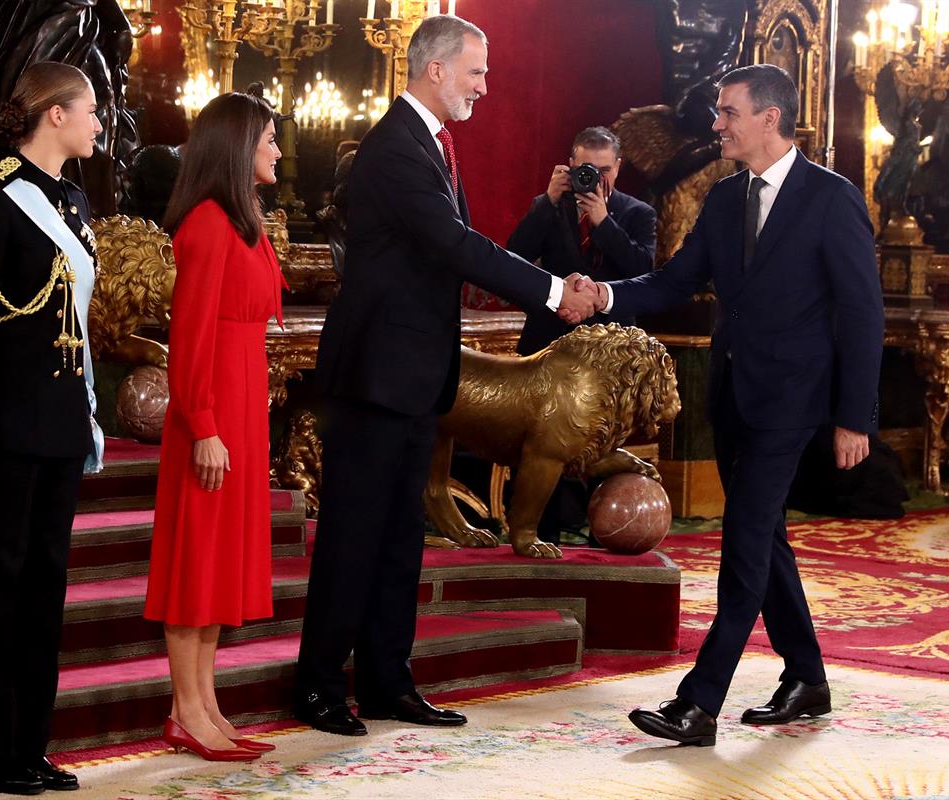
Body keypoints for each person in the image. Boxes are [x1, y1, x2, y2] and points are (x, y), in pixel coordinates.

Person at [567, 64, 884, 746]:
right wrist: (606, 296)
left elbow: (862, 313)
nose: (715, 124)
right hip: (733, 398)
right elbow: (675, 280)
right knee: (764, 538)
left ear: (769, 118)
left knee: (742, 543)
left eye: (727, 112)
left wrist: (855, 416)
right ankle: (807, 678)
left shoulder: (832, 198)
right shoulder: (723, 199)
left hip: (793, 404)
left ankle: (698, 703)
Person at [294, 14, 588, 737]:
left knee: (400, 536)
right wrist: (551, 291)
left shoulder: (429, 145)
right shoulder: (395, 149)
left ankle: (389, 680)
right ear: (435, 70)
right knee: (353, 535)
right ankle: (319, 684)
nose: (485, 87)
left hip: (415, 377)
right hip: (372, 377)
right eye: (476, 73)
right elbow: (456, 244)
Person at [0, 61, 105, 795]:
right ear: (56, 115)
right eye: (92, 109)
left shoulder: (72, 202)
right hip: (1, 433)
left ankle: (31, 746)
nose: (102, 122)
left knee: (44, 593)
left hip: (59, 428)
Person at [142, 92, 285, 763]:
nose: (279, 151)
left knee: (220, 563)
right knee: (195, 561)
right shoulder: (205, 222)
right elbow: (190, 334)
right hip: (213, 412)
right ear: (237, 148)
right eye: (268, 141)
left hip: (241, 407)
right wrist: (202, 423)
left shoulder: (243, 218)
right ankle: (188, 710)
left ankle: (198, 706)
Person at [507, 125, 656, 544]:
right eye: (586, 169)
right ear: (570, 166)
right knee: (541, 445)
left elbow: (644, 274)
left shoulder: (637, 213)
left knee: (602, 447)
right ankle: (539, 533)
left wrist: (604, 222)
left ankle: (602, 538)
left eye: (604, 170)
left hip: (608, 354)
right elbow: (512, 258)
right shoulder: (548, 206)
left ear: (619, 168)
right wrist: (548, 203)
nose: (595, 179)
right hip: (550, 347)